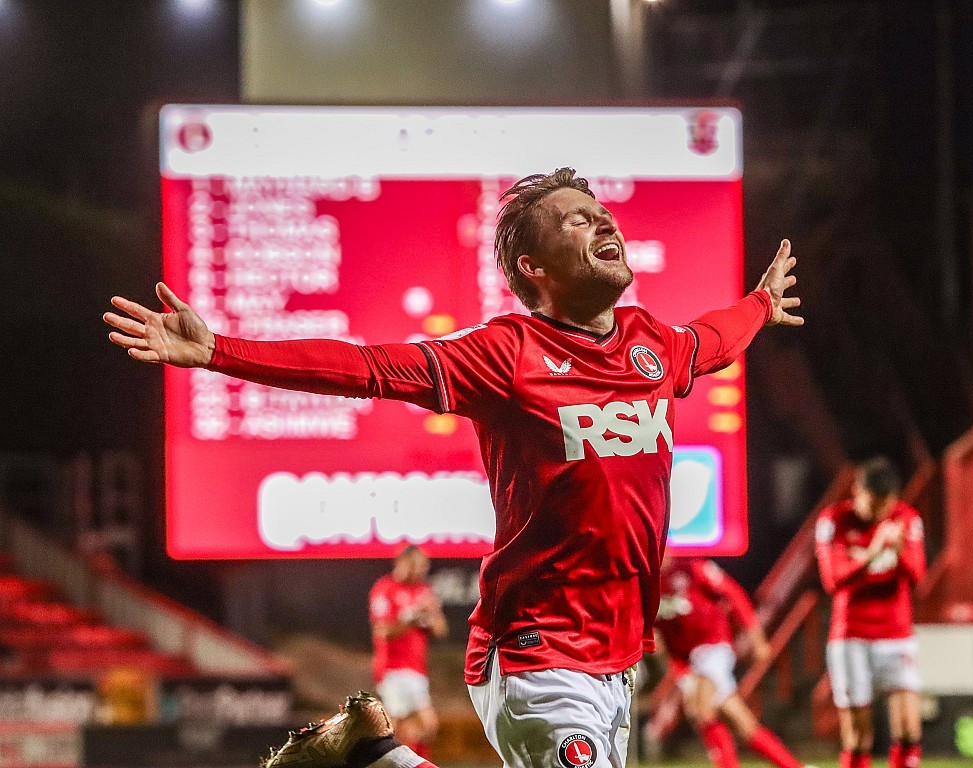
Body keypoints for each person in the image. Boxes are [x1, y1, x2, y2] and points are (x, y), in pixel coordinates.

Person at [104, 168, 802, 768]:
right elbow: (368, 367)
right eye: (575, 220)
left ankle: (375, 755)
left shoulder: (652, 343)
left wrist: (761, 304)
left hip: (616, 655)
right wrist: (221, 350)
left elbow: (713, 340)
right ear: (535, 267)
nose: (601, 222)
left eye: (602, 214)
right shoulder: (505, 354)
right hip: (538, 647)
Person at [815, 457, 926, 768]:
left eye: (885, 505)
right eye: (872, 503)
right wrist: (874, 552)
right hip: (851, 637)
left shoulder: (907, 518)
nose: (878, 513)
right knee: (857, 735)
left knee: (908, 729)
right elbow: (833, 580)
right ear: (856, 491)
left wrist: (899, 550)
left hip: (897, 633)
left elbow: (918, 574)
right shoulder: (833, 521)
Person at [648, 557, 810, 768]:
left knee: (700, 707)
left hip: (713, 647)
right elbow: (660, 637)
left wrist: (757, 639)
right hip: (687, 663)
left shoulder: (692, 568)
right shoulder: (646, 584)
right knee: (740, 721)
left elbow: (733, 594)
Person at [369, 546, 448, 758]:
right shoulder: (385, 589)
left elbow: (440, 629)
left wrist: (429, 617)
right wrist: (412, 617)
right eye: (416, 566)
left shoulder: (423, 591)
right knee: (406, 727)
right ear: (402, 563)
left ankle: (404, 762)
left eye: (424, 567)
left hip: (416, 669)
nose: (421, 571)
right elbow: (383, 631)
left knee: (419, 729)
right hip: (393, 668)